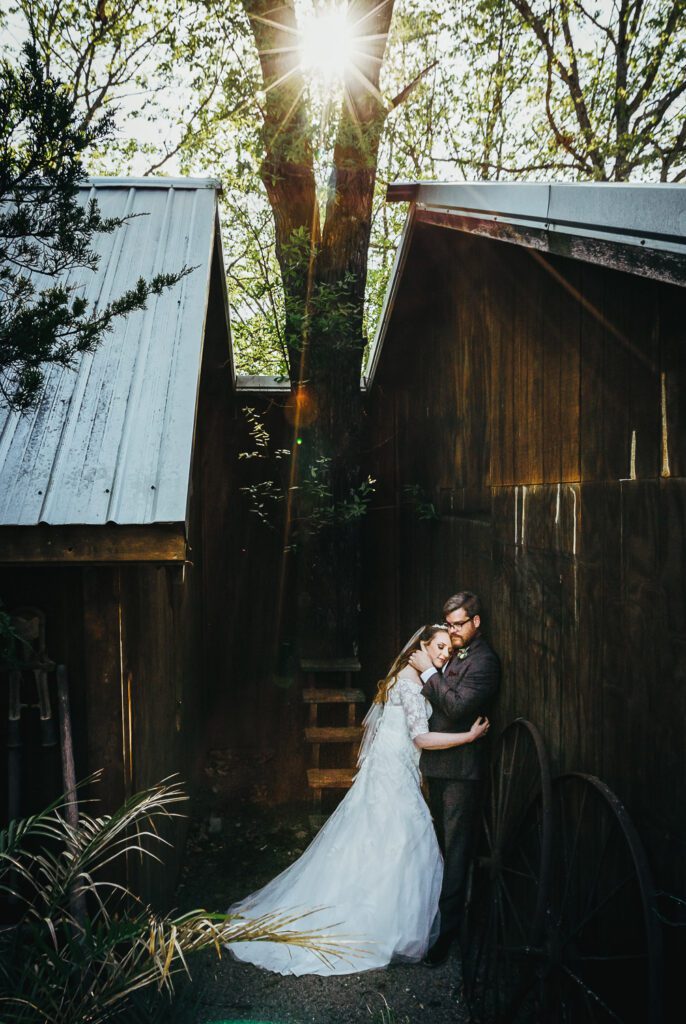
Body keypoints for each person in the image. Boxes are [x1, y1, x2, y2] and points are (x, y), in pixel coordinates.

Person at [226, 624, 489, 976]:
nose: (443, 654)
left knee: (381, 841)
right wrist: (468, 737)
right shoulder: (411, 684)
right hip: (393, 774)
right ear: (421, 647)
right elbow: (422, 740)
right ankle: (381, 928)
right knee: (402, 841)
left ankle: (386, 923)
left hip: (390, 769)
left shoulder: (410, 678)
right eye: (438, 647)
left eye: (448, 650)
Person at [409, 592, 501, 967]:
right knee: (440, 846)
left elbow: (460, 706)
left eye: (459, 624)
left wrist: (430, 673)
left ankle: (446, 935)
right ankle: (432, 922)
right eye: (448, 624)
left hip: (461, 772)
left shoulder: (485, 662)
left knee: (457, 852)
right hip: (437, 766)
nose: (453, 631)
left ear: (476, 622)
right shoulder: (453, 651)